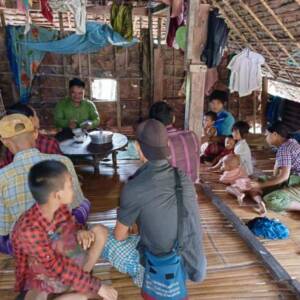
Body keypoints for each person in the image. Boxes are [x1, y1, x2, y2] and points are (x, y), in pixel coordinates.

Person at [114, 119, 206, 298]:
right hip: (192, 263)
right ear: (166, 146)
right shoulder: (183, 178)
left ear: (139, 149)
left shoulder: (134, 187)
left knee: (105, 238)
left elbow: (119, 235)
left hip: (160, 263)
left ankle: (143, 277)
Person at [12, 160, 117, 300]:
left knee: (100, 231)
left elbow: (71, 228)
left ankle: (75, 286)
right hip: (47, 280)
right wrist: (98, 286)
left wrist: (80, 232)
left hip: (68, 268)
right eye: (70, 185)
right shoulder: (29, 230)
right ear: (57, 195)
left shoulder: (58, 207)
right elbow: (58, 269)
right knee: (91, 296)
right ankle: (64, 293)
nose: (76, 187)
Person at [0, 114, 90, 255]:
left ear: (4, 141)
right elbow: (75, 204)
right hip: (62, 236)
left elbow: (3, 229)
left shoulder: (2, 177)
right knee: (84, 203)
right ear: (35, 133)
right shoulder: (63, 162)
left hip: (28, 247)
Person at [250, 122, 300, 212]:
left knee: (271, 199)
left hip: (297, 183)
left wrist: (260, 185)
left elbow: (283, 177)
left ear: (275, 134)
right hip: (292, 180)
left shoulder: (284, 149)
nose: (266, 138)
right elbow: (279, 174)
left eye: (267, 135)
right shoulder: (291, 142)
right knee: (259, 181)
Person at [149, 101, 200, 183]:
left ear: (152, 123)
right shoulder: (192, 135)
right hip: (192, 188)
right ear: (173, 118)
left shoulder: (157, 142)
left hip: (170, 192)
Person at [0, 103, 61, 168]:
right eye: (36, 115)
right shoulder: (50, 143)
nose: (38, 119)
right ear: (31, 120)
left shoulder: (5, 148)